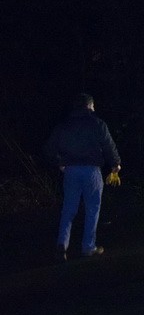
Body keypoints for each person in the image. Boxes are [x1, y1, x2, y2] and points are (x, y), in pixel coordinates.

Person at [44, 93, 121, 261]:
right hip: (92, 171)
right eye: (93, 106)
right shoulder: (97, 124)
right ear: (89, 106)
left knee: (69, 209)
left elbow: (50, 149)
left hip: (71, 171)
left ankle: (62, 245)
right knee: (92, 209)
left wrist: (60, 162)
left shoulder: (63, 126)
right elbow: (109, 145)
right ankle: (88, 247)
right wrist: (115, 164)